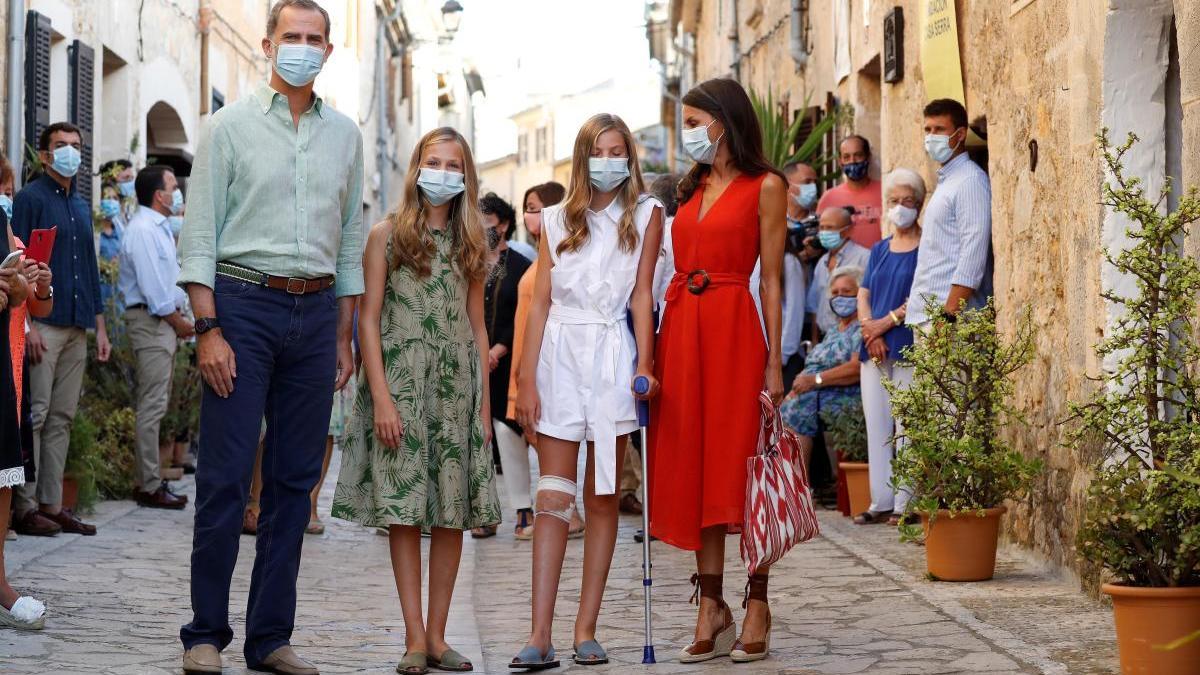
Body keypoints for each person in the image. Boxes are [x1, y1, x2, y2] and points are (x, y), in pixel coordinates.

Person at [176, 2, 364, 673]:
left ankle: (270, 638)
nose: (304, 48)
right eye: (293, 37)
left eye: (316, 39)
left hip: (315, 318)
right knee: (227, 477)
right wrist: (208, 327)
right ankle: (204, 633)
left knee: (293, 483)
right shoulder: (227, 128)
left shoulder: (345, 135)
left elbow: (347, 243)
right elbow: (199, 234)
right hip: (241, 304)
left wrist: (343, 336)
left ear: (329, 50)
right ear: (267, 44)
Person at [331, 126, 498, 675]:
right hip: (401, 385)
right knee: (404, 514)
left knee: (451, 515)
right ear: (416, 167)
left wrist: (483, 410)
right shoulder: (385, 236)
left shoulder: (474, 240)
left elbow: (478, 328)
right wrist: (380, 396)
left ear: (466, 176)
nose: (443, 173)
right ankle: (413, 638)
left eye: (454, 165)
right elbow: (368, 321)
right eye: (434, 161)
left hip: (456, 389)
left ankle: (440, 635)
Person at [511, 113, 663, 670]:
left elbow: (643, 294)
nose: (609, 160)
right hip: (559, 359)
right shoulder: (554, 218)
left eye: (618, 150)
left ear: (630, 158)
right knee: (553, 497)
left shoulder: (647, 215)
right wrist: (526, 381)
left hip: (611, 360)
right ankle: (540, 632)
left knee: (602, 499)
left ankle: (585, 628)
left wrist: (645, 364)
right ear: (582, 157)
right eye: (599, 150)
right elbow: (542, 303)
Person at [649, 77, 787, 665]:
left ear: (724, 123)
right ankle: (712, 605)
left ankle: (757, 600)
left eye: (694, 122)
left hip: (735, 329)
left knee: (742, 467)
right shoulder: (689, 188)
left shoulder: (768, 186)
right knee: (696, 466)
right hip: (682, 332)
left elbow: (774, 280)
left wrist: (776, 361)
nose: (688, 134)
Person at [11, 121, 110, 538]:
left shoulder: (82, 205)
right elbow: (18, 263)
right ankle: (23, 505)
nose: (70, 152)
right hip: (43, 323)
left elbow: (89, 267)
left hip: (77, 322)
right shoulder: (30, 198)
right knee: (36, 415)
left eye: (76, 145)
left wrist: (100, 327)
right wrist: (27, 322)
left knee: (63, 416)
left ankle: (52, 503)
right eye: (61, 146)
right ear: (46, 154)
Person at [505, 181, 585, 541]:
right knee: (532, 437)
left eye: (536, 207)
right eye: (527, 208)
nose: (530, 215)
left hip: (537, 364)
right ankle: (560, 511)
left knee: (543, 439)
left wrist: (529, 373)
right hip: (523, 364)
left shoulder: (557, 260)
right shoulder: (538, 258)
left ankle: (570, 513)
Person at [117, 165, 194, 509]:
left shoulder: (159, 228)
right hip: (153, 322)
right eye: (172, 186)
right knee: (151, 405)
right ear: (158, 195)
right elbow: (154, 290)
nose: (177, 192)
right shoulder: (144, 229)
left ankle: (151, 478)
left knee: (157, 403)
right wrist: (178, 322)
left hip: (163, 322)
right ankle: (147, 484)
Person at [0, 149, 54, 630]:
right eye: (3, 188)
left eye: (10, 190)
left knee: (4, 475)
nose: (7, 197)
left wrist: (40, 285)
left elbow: (35, 309)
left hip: (10, 367)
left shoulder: (13, 238)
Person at [854, 169, 924, 525]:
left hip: (907, 344)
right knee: (877, 424)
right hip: (875, 347)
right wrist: (871, 330)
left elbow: (922, 296)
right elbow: (863, 294)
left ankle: (905, 502)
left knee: (907, 425)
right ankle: (879, 499)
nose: (900, 208)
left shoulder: (926, 248)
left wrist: (888, 322)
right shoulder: (880, 249)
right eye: (894, 201)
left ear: (919, 205)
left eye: (907, 201)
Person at [470, 192, 531, 539]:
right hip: (473, 364)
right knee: (478, 437)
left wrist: (498, 348)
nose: (484, 230)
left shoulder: (522, 265)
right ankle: (483, 511)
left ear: (504, 224)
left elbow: (521, 312)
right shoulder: (470, 260)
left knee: (508, 433)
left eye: (489, 223)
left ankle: (524, 509)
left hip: (507, 365)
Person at [906, 99, 992, 327]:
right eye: (928, 129)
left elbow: (973, 251)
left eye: (940, 129)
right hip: (928, 316)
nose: (932, 136)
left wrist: (949, 315)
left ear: (960, 134)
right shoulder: (947, 182)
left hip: (950, 321)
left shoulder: (970, 181)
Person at [781, 266, 864, 482]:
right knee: (781, 408)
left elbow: (856, 368)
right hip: (819, 392)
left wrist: (815, 381)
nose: (839, 298)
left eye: (846, 292)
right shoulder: (836, 329)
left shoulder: (861, 328)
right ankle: (792, 484)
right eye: (835, 293)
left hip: (848, 395)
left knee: (797, 408)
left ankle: (799, 485)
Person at [806, 206, 870, 338]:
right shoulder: (822, 262)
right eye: (821, 227)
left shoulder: (864, 258)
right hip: (825, 338)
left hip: (853, 339)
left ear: (848, 230)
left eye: (830, 228)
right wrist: (814, 341)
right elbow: (814, 307)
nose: (824, 232)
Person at [815, 135, 883, 249]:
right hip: (843, 264)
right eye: (846, 157)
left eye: (858, 155)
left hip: (881, 264)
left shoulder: (885, 191)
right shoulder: (829, 198)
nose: (853, 161)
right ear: (840, 161)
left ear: (868, 157)